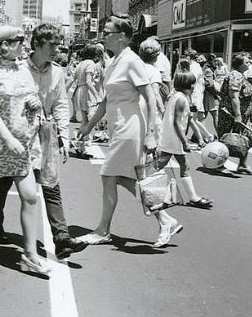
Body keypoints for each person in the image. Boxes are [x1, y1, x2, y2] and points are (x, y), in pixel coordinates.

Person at [76, 15, 179, 249]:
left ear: (121, 36)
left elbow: (151, 98)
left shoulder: (132, 60)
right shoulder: (113, 61)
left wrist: (152, 133)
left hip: (130, 127)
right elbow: (105, 101)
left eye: (107, 32)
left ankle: (103, 230)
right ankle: (165, 219)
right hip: (118, 127)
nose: (103, 35)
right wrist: (88, 126)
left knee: (109, 176)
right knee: (124, 178)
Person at [0, 23, 87, 260]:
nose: (57, 50)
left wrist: (64, 136)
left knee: (51, 185)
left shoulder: (58, 72)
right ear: (37, 45)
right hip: (18, 135)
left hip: (44, 134)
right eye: (52, 45)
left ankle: (61, 239)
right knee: (3, 184)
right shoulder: (18, 67)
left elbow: (61, 104)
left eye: (58, 45)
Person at [0, 25, 50, 275]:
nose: (24, 44)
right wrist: (7, 138)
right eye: (19, 40)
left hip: (21, 142)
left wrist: (36, 104)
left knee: (30, 196)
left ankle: (30, 254)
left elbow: (30, 100)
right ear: (3, 45)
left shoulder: (24, 70)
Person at [156, 70, 213, 209]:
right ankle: (193, 197)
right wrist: (184, 141)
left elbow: (187, 119)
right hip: (174, 138)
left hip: (169, 136)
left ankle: (148, 184)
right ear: (188, 85)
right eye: (193, 83)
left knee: (161, 164)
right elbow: (177, 122)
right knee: (182, 165)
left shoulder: (177, 96)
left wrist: (199, 137)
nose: (195, 86)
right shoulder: (181, 99)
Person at [217, 52, 252, 174]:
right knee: (226, 138)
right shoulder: (235, 75)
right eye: (246, 61)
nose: (249, 63)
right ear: (239, 64)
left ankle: (242, 164)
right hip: (231, 113)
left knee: (247, 137)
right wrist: (238, 115)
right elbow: (234, 96)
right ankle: (219, 165)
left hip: (243, 114)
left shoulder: (241, 75)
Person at [74, 43, 101, 133]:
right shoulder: (91, 64)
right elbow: (88, 81)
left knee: (84, 119)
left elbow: (72, 78)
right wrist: (97, 95)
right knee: (91, 118)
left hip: (79, 90)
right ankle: (86, 140)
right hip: (87, 92)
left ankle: (81, 139)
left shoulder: (81, 64)